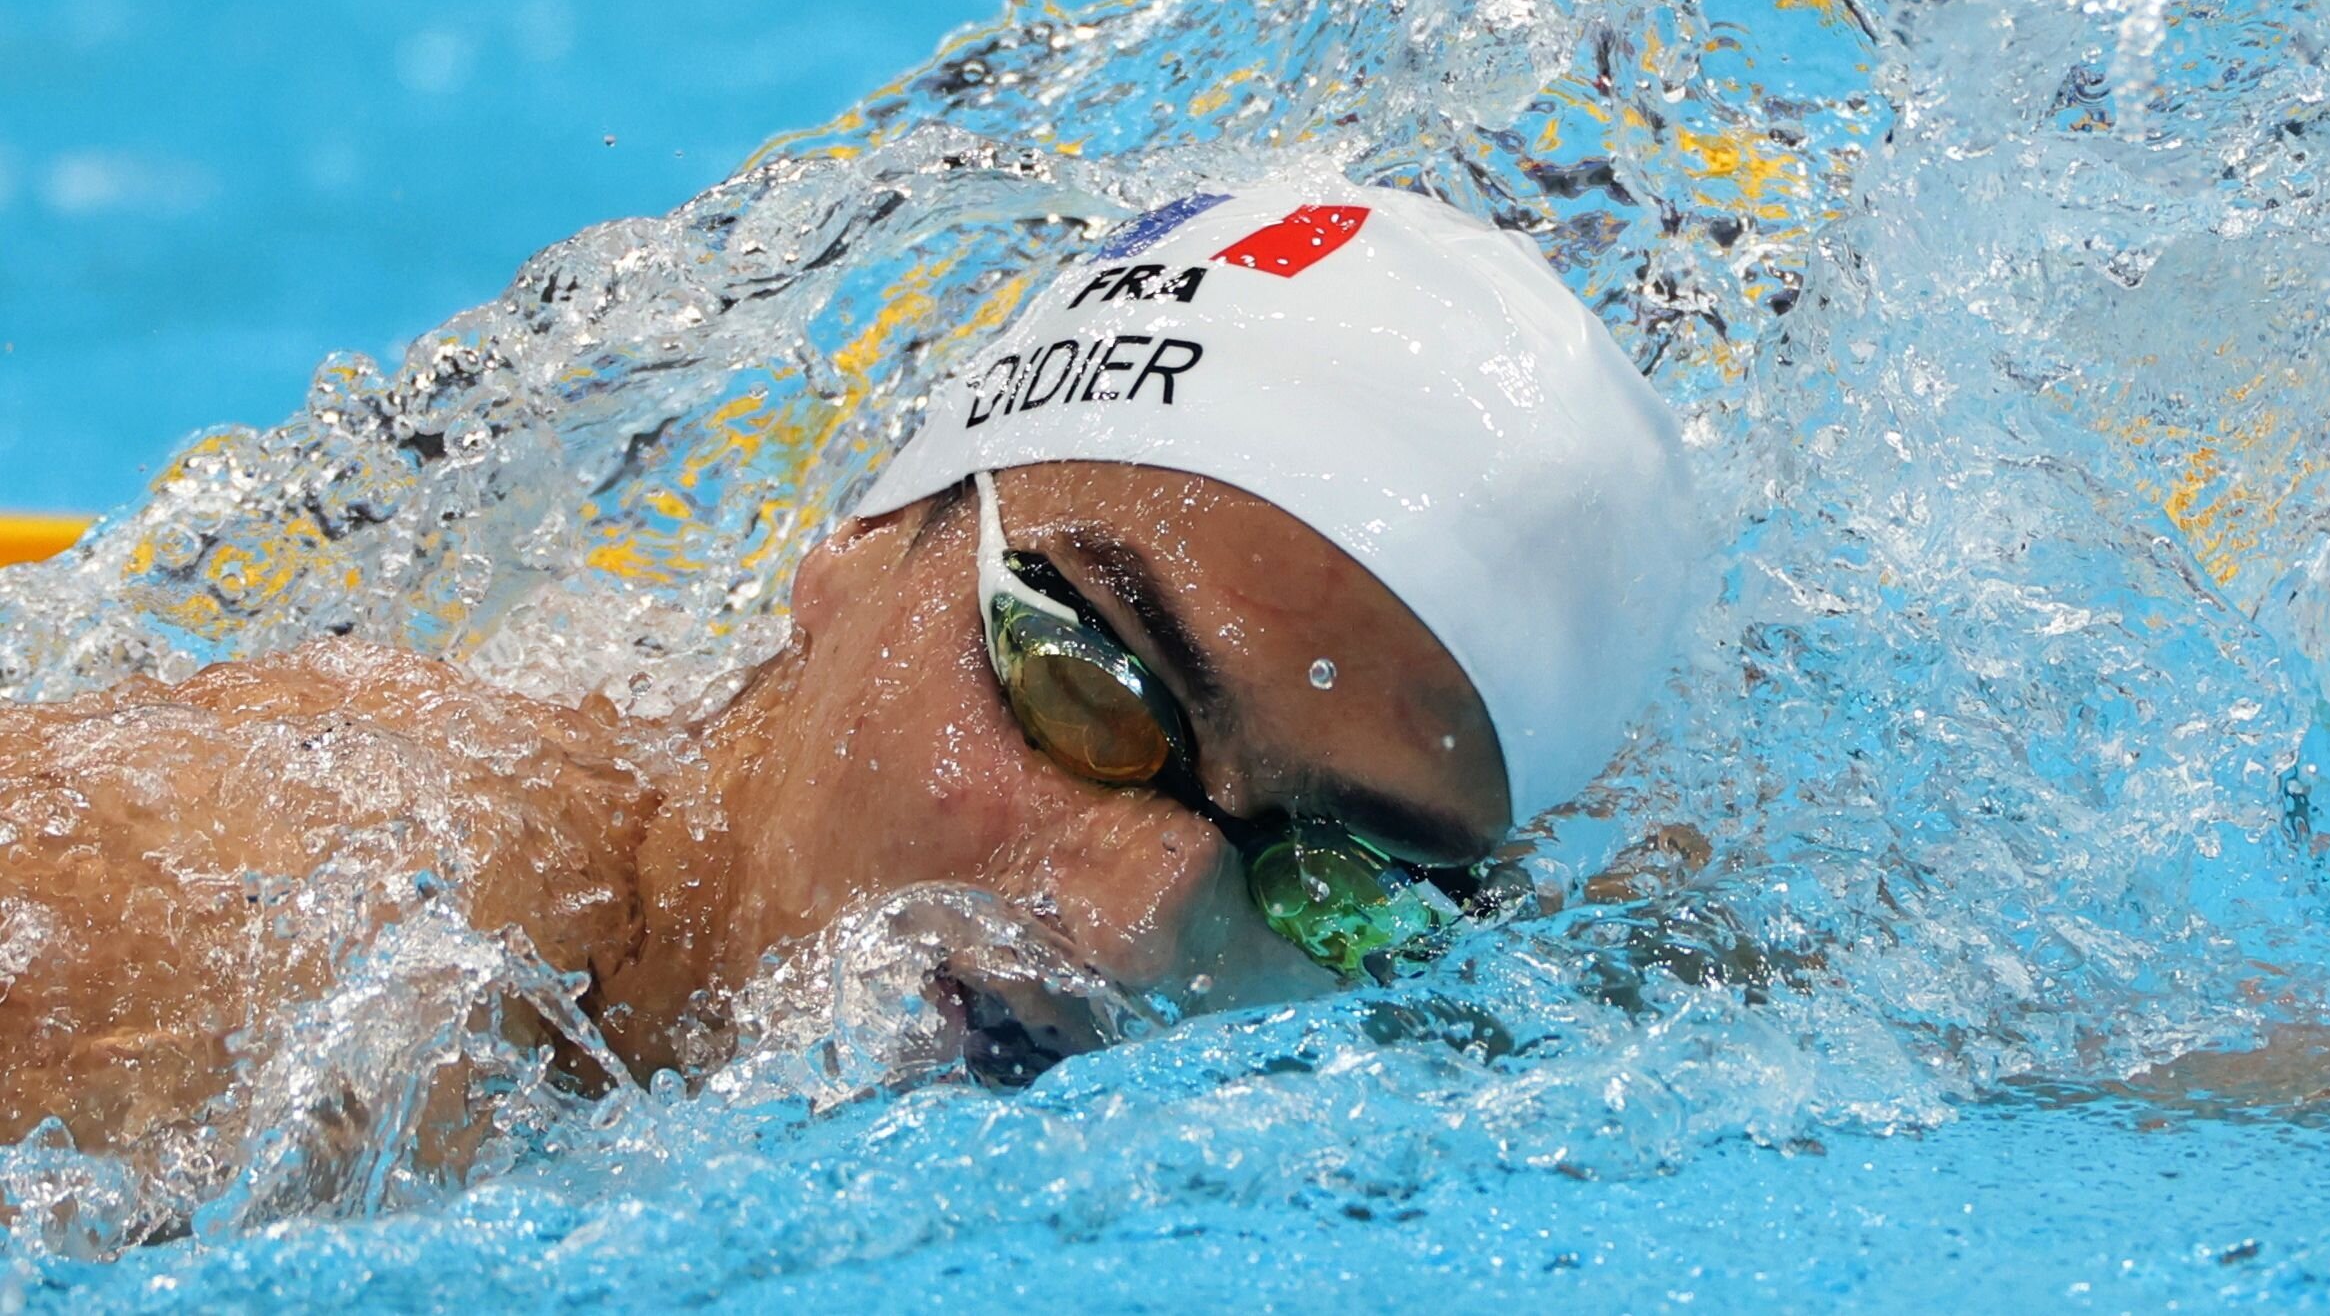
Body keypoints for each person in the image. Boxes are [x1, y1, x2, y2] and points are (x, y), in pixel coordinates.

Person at [0, 181, 1701, 1160]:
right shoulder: (272, 939)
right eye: (1084, 687)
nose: (1124, 926)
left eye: (1332, 875)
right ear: (856, 551)